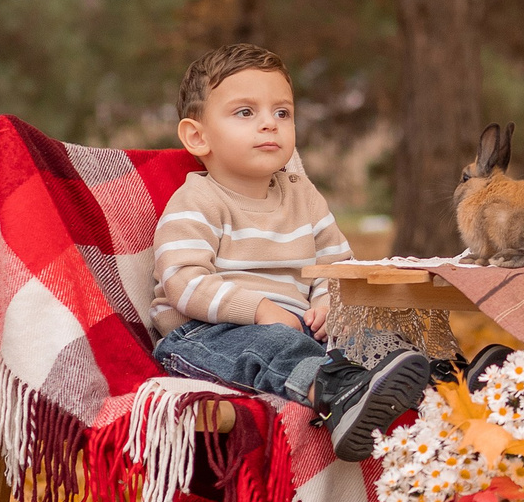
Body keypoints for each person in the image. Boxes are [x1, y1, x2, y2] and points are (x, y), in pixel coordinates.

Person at [150, 43, 434, 461]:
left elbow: (336, 267)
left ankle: (438, 382)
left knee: (372, 335)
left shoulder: (303, 196)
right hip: (206, 334)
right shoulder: (197, 201)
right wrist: (260, 309)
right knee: (271, 348)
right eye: (245, 112)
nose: (270, 124)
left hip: (300, 326)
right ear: (198, 136)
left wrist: (326, 301)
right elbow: (182, 282)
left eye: (282, 113)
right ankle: (338, 392)